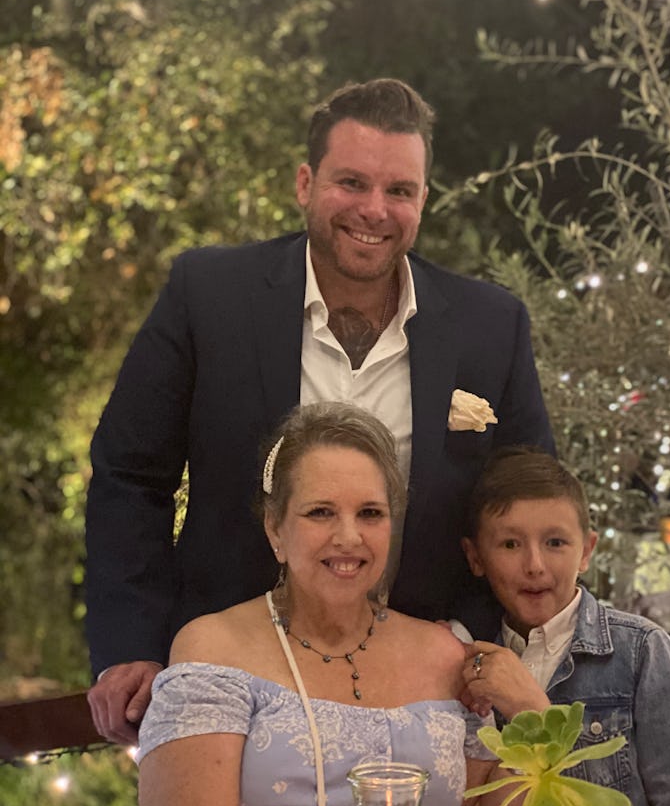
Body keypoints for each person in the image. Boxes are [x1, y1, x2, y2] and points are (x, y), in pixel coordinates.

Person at [85, 77, 555, 744]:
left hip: (430, 693)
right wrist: (130, 642)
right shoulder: (209, 294)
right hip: (233, 682)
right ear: (305, 183)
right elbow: (129, 477)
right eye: (351, 183)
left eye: (400, 191)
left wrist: (494, 648)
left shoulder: (491, 327)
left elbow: (529, 505)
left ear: (424, 200)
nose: (375, 210)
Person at [136, 402, 526, 806]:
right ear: (275, 527)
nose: (349, 537)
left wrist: (532, 718)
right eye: (321, 512)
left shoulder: (447, 649)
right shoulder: (214, 648)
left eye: (371, 513)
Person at [456, 446, 670, 806]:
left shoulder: (640, 651)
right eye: (510, 544)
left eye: (555, 543)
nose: (534, 565)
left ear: (587, 550)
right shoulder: (471, 669)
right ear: (475, 556)